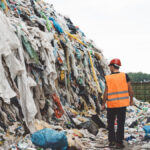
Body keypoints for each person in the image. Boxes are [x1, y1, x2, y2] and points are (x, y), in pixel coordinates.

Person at [101, 58, 134, 149]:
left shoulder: (108, 78)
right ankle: (119, 142)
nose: (110, 68)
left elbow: (106, 92)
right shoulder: (125, 76)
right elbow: (130, 89)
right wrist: (131, 99)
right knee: (120, 123)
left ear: (112, 66)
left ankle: (111, 141)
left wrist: (103, 104)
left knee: (111, 123)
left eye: (110, 66)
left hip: (111, 105)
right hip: (122, 105)